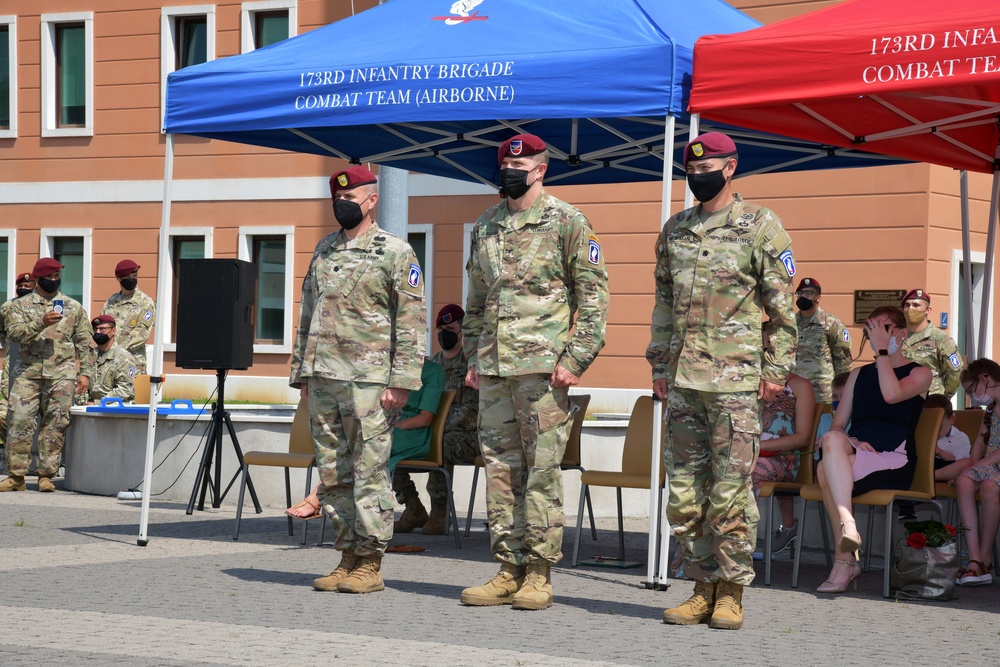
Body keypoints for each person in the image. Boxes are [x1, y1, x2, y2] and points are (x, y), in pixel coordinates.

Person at [649, 131, 796, 630]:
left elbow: (783, 311)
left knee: (730, 492)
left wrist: (774, 373)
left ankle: (731, 592)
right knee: (686, 492)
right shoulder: (675, 229)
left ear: (730, 168)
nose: (697, 174)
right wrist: (659, 367)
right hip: (684, 380)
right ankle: (700, 586)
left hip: (735, 381)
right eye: (690, 168)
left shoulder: (760, 226)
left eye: (707, 166)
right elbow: (664, 307)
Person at [461, 133, 609, 611]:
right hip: (495, 370)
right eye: (506, 161)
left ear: (542, 169)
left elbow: (593, 299)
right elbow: (477, 303)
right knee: (501, 470)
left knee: (542, 472)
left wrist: (575, 360)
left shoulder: (567, 221)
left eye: (521, 163)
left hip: (544, 371)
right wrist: (472, 356)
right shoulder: (486, 225)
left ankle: (540, 574)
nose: (511, 168)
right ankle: (508, 567)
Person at [290, 165, 426, 595]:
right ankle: (346, 553)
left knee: (369, 471)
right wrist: (302, 372)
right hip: (324, 377)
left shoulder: (395, 251)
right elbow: (307, 313)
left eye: (351, 199)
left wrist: (402, 378)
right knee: (333, 474)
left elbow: (411, 320)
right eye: (337, 198)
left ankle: (370, 561)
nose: (342, 204)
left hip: (370, 381)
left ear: (371, 201)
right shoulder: (324, 249)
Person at [813, 306, 931, 593]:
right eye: (872, 329)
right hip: (855, 453)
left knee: (822, 469)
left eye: (884, 328)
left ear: (901, 334)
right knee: (830, 440)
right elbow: (839, 424)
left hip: (893, 457)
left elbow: (891, 394)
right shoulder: (858, 375)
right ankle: (848, 525)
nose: (877, 334)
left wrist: (881, 353)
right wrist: (851, 441)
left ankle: (845, 562)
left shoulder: (921, 373)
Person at [288, 358, 444, 522]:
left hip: (411, 434)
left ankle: (317, 498)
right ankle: (333, 504)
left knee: (364, 446)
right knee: (356, 445)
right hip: (381, 428)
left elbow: (424, 419)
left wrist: (389, 426)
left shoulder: (432, 371)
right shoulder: (381, 365)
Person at [768, 277, 852, 553]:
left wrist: (839, 397)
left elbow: (843, 363)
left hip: (822, 399)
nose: (804, 295)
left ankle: (830, 503)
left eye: (810, 292)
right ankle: (789, 523)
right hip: (791, 399)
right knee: (789, 453)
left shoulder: (831, 324)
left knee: (819, 454)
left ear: (819, 297)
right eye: (801, 291)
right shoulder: (788, 324)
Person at [0, 258, 96, 492]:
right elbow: (15, 334)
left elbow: (86, 343)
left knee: (55, 426)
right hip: (27, 374)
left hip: (61, 376)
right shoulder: (17, 306)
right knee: (19, 422)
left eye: (56, 277)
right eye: (49, 277)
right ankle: (17, 477)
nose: (53, 281)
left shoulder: (73, 307)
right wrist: (40, 322)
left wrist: (85, 374)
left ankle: (46, 476)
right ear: (37, 278)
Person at [393, 304, 480, 535]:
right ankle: (412, 507)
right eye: (440, 329)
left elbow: (473, 410)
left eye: (450, 328)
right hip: (430, 428)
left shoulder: (473, 366)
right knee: (387, 443)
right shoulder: (431, 366)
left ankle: (440, 511)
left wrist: (438, 428)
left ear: (462, 331)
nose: (444, 333)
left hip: (468, 433)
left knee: (442, 444)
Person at [752, 329, 816, 557]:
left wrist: (758, 449)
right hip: (747, 452)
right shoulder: (749, 381)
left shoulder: (800, 386)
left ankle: (736, 543)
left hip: (783, 457)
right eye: (765, 348)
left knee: (747, 471)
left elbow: (802, 437)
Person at [954, 359, 1000, 586]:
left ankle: (985, 558)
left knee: (990, 486)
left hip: (994, 466)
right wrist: (970, 467)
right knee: (964, 481)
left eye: (972, 390)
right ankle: (974, 559)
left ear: (984, 379)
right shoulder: (991, 409)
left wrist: (975, 467)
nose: (973, 398)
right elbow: (980, 444)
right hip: (990, 466)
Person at [900, 288, 962, 399]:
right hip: (901, 399)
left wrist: (943, 398)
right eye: (907, 305)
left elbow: (955, 372)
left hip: (929, 403)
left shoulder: (940, 339)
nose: (910, 309)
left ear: (928, 310)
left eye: (916, 305)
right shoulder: (897, 336)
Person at [0, 273, 36, 449]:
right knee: (6, 411)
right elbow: (3, 332)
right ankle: (13, 451)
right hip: (12, 362)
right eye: (20, 286)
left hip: (35, 364)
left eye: (28, 287)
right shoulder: (7, 307)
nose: (23, 289)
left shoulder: (41, 307)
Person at [102, 259, 156, 375]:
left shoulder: (145, 302)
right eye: (128, 276)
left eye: (134, 275)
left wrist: (117, 350)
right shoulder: (111, 301)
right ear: (119, 278)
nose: (132, 279)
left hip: (133, 363)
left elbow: (142, 333)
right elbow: (102, 328)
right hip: (109, 363)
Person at [76, 315, 137, 405]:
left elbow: (124, 389)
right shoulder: (90, 356)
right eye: (95, 329)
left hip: (116, 407)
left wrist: (99, 403)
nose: (98, 332)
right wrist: (83, 402)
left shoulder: (124, 358)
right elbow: (81, 383)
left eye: (102, 329)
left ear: (113, 331)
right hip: (90, 407)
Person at [922, 393, 972, 482]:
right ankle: (925, 475)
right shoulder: (922, 434)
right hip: (927, 465)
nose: (934, 431)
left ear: (952, 420)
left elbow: (959, 461)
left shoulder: (960, 437)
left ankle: (927, 476)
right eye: (929, 426)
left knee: (966, 463)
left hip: (946, 468)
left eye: (939, 426)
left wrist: (939, 452)